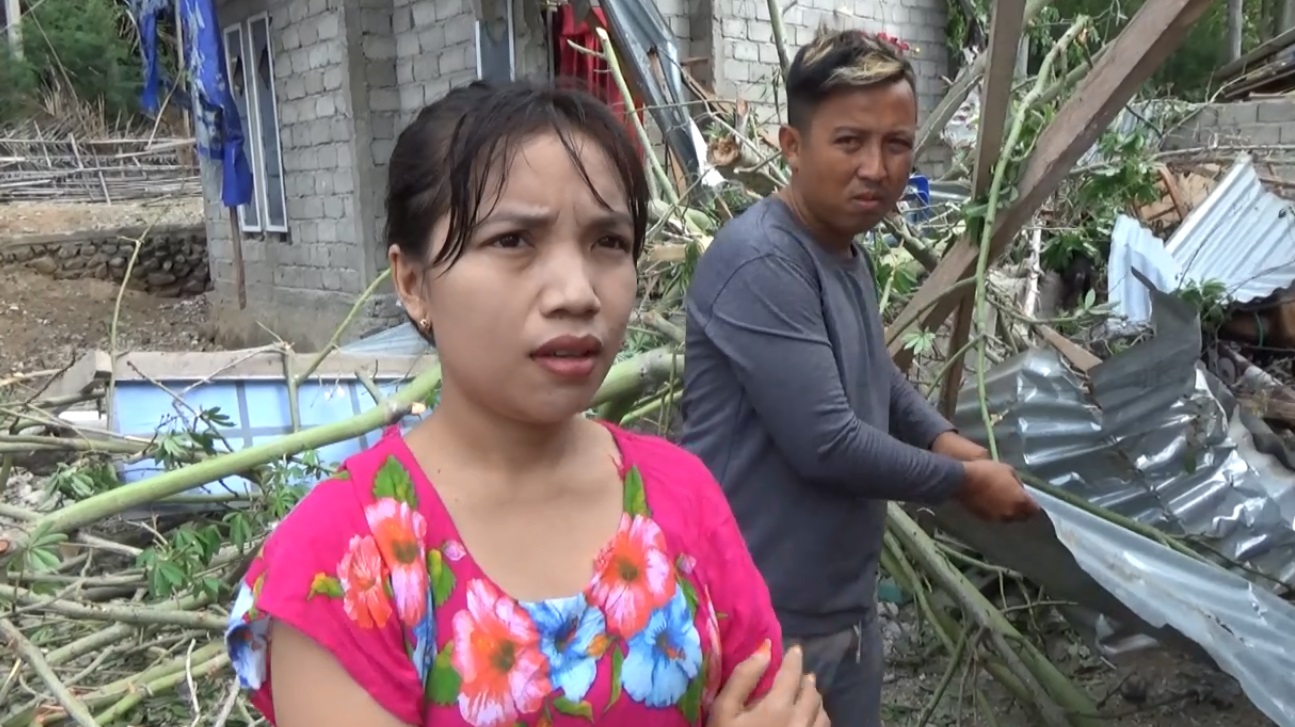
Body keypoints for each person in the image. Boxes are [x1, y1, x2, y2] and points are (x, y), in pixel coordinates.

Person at [221, 81, 829, 727]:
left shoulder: (679, 495)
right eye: (513, 240)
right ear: (412, 282)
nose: (575, 292)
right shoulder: (343, 560)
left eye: (608, 242)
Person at [680, 29, 1040, 726]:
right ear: (791, 145)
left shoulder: (844, 253)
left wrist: (941, 440)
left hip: (836, 613)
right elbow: (827, 441)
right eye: (849, 141)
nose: (876, 167)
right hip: (761, 623)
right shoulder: (763, 261)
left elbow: (878, 377)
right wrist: (963, 484)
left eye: (896, 143)